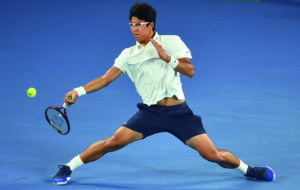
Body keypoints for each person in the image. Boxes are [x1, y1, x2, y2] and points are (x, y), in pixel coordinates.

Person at [52, 2, 275, 185]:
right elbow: (105, 78)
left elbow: (190, 71)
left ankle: (248, 170)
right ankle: (67, 167)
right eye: (132, 24)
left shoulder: (171, 42)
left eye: (139, 24)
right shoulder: (128, 55)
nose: (134, 29)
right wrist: (78, 91)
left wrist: (167, 58)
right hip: (150, 113)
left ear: (152, 25)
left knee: (212, 155)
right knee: (112, 143)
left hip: (180, 113)